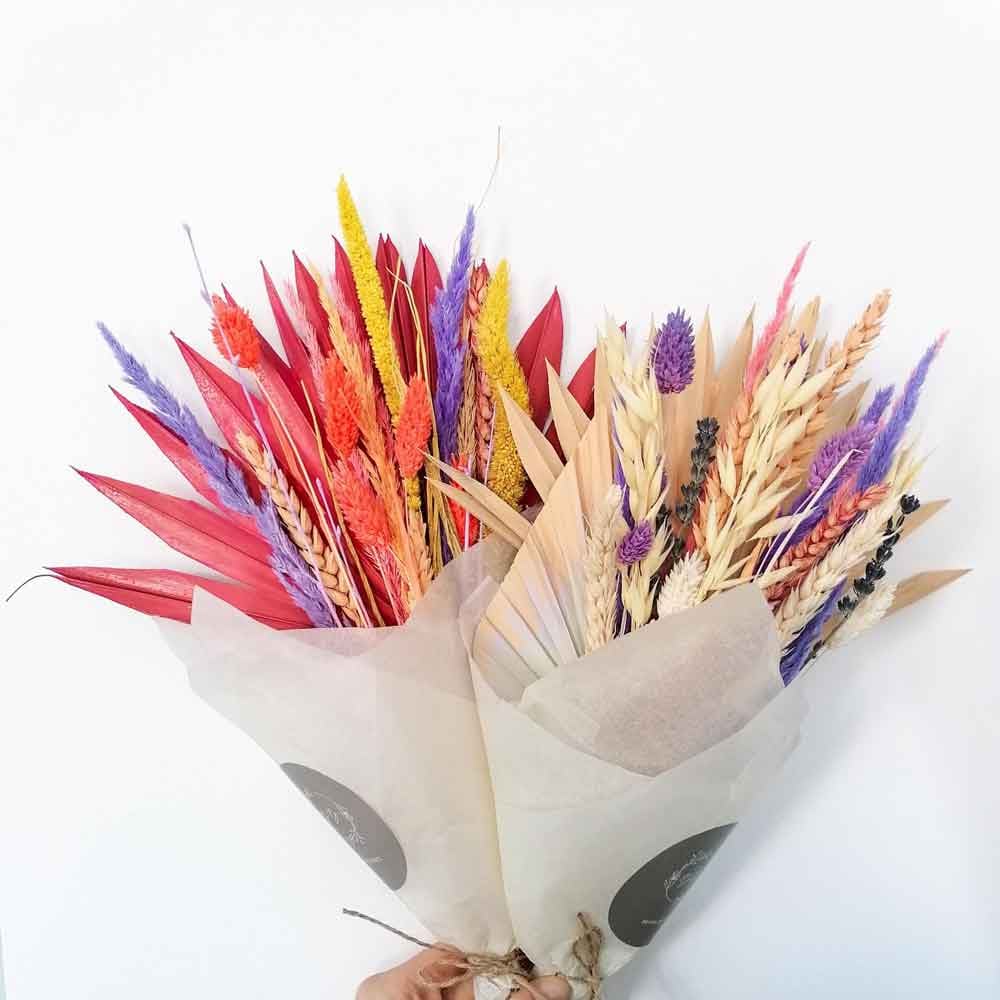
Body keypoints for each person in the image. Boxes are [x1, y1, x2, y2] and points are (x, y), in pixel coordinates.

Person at [356, 947, 572, 999]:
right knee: (558, 987)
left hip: (487, 960)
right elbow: (557, 989)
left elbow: (450, 953)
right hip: (512, 985)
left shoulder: (439, 969)